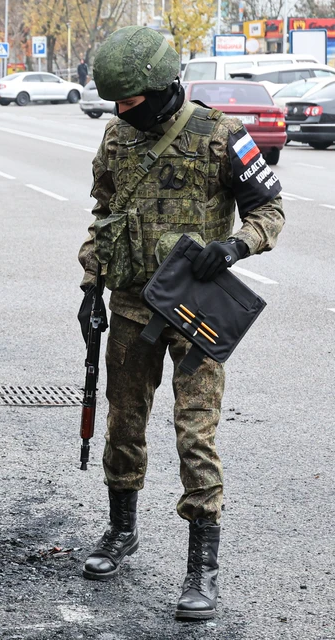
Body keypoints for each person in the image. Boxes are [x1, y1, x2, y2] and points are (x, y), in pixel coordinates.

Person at [76, 26, 284, 621]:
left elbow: (270, 209)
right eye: (116, 102)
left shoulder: (223, 136)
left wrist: (238, 246)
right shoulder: (116, 139)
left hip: (195, 312)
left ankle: (202, 567)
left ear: (164, 89)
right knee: (124, 422)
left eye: (131, 101)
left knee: (195, 433)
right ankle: (122, 532)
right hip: (132, 305)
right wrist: (91, 286)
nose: (120, 112)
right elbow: (104, 217)